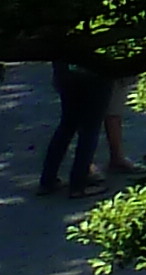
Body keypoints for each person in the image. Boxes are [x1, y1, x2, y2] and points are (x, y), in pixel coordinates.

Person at [35, 54, 106, 198]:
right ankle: (79, 183)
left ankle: (48, 180)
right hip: (95, 71)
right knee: (90, 129)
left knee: (67, 124)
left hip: (66, 70)